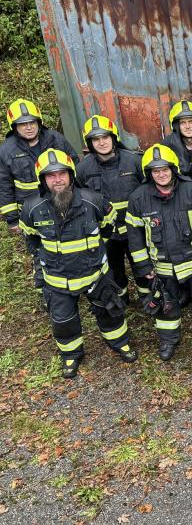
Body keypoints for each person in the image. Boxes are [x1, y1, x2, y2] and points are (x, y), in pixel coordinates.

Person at [19, 149, 135, 378]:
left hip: (95, 275)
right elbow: (32, 240)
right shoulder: (32, 209)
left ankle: (119, 342)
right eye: (51, 175)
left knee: (110, 311)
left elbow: (107, 229)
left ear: (71, 175)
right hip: (57, 279)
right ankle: (71, 355)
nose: (57, 179)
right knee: (64, 321)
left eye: (61, 173)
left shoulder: (93, 201)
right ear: (42, 179)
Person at [126, 144, 192, 360]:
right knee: (166, 305)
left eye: (165, 169)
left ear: (174, 169)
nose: (161, 174)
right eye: (156, 170)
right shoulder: (138, 198)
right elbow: (134, 238)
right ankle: (169, 340)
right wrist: (143, 266)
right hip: (162, 267)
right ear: (149, 174)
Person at [75, 115, 148, 303]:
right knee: (114, 269)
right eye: (96, 139)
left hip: (135, 229)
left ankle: (149, 298)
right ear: (90, 143)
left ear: (114, 138)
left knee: (142, 265)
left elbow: (147, 192)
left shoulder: (134, 161)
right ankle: (122, 300)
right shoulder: (82, 169)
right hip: (106, 232)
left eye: (105, 137)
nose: (102, 142)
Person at [0, 99, 79, 233]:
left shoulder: (55, 139)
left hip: (63, 203)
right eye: (23, 124)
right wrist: (13, 220)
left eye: (32, 122)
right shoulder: (7, 150)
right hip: (32, 210)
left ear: (39, 122)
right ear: (14, 127)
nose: (29, 127)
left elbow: (75, 167)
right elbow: (4, 185)